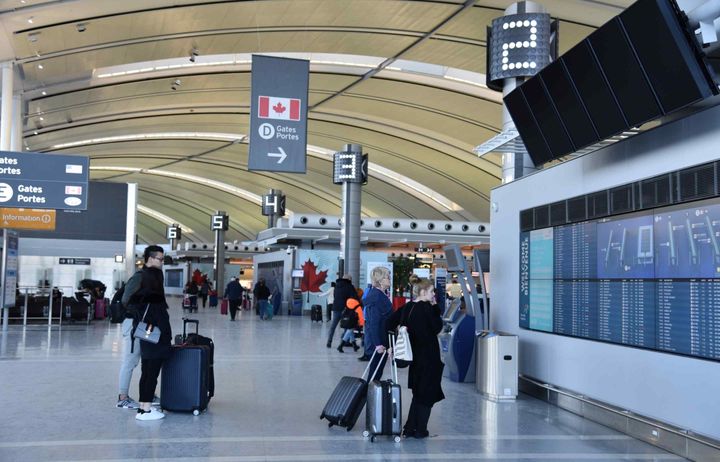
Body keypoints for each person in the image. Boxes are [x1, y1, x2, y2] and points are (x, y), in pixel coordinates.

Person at [386, 278, 445, 439]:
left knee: (418, 393)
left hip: (415, 358)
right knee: (427, 395)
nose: (434, 294)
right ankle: (420, 430)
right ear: (423, 292)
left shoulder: (407, 307)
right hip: (429, 358)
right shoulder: (427, 308)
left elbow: (389, 322)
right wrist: (435, 308)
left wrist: (391, 344)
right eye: (432, 291)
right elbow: (437, 328)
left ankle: (410, 428)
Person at [131, 245, 173, 421]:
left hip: (144, 331)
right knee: (152, 372)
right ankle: (146, 409)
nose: (162, 262)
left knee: (146, 371)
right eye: (160, 259)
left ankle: (143, 407)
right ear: (150, 258)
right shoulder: (152, 277)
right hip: (155, 332)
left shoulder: (141, 277)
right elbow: (158, 312)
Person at [361, 266, 393, 382]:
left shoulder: (379, 295)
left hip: (382, 339)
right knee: (375, 373)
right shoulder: (377, 297)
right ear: (380, 281)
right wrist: (378, 344)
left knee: (376, 372)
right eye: (387, 277)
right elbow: (373, 322)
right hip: (380, 341)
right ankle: (368, 397)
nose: (390, 279)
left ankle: (370, 396)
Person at [328, 274, 356, 348]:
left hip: (336, 308)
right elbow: (353, 298)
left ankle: (329, 341)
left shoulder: (336, 286)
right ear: (349, 280)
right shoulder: (350, 286)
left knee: (333, 326)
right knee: (347, 326)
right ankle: (344, 341)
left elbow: (334, 296)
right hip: (345, 309)